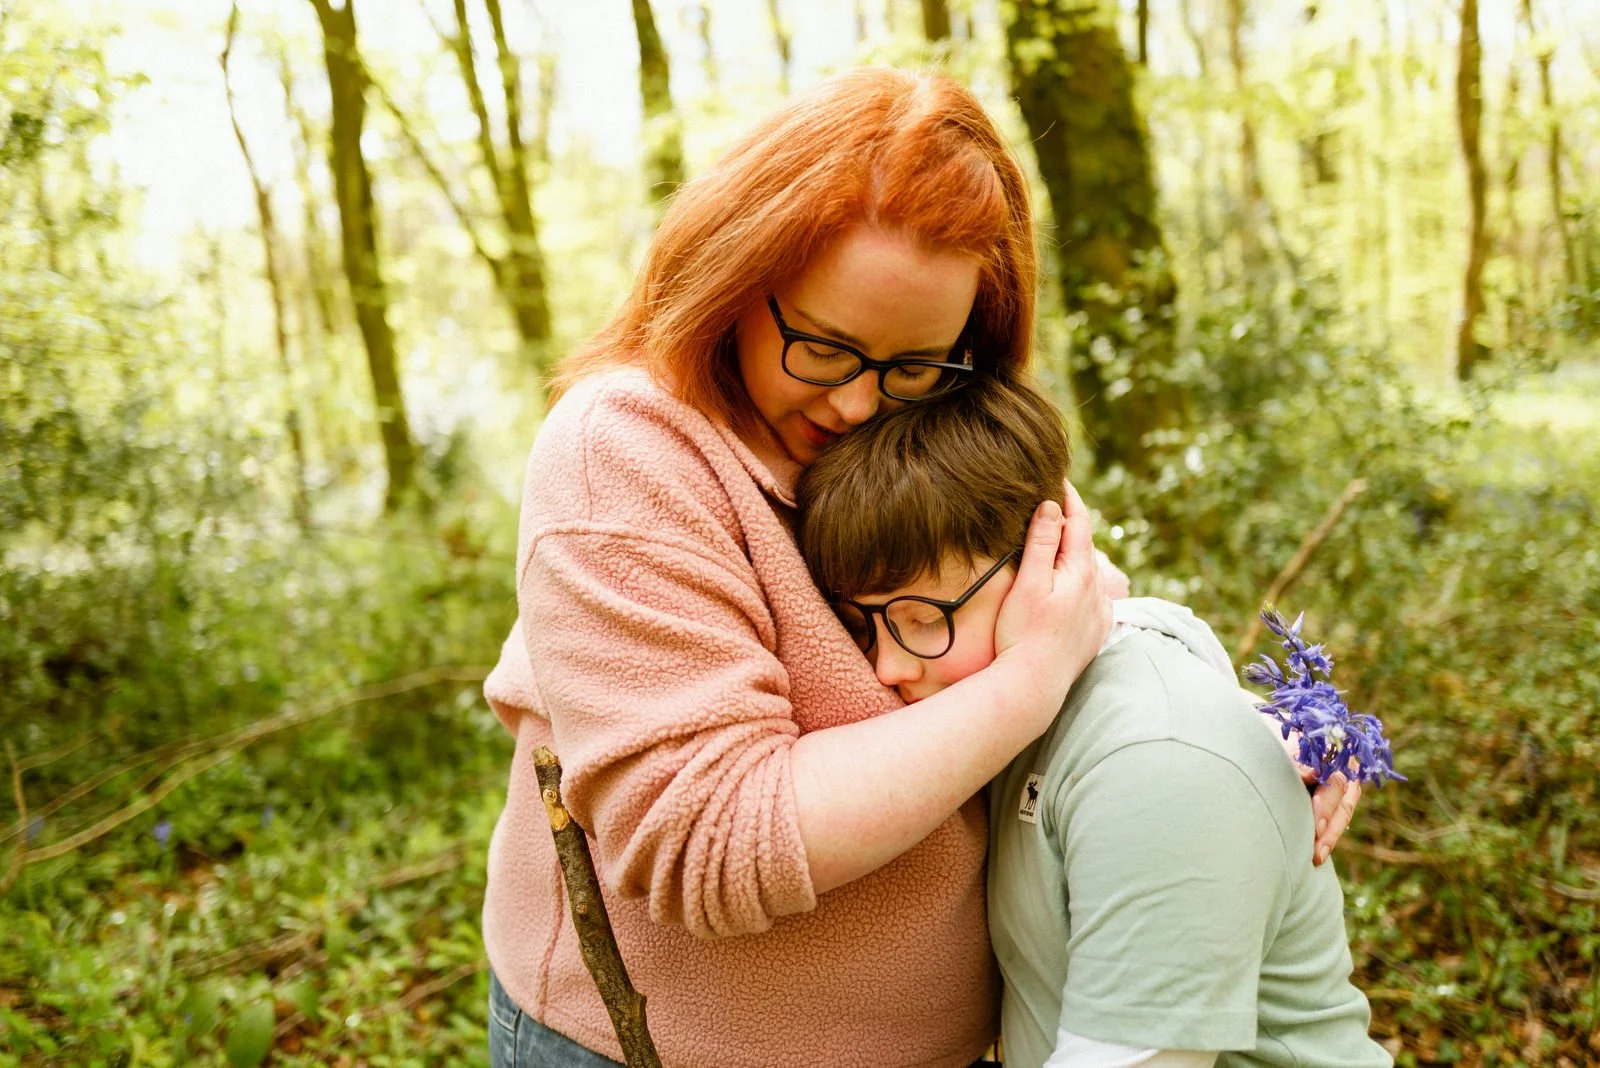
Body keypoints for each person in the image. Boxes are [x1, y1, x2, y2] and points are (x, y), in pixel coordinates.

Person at [481, 68, 1358, 1068]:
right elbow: (708, 842)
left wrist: (1227, 735)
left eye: (909, 366)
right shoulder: (625, 451)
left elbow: (1069, 614)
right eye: (824, 347)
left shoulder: (932, 424)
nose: (857, 405)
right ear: (735, 275)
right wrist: (1030, 683)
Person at [795, 376, 1391, 1068]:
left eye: (924, 620)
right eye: (864, 628)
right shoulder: (1022, 714)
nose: (887, 669)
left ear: (1048, 565)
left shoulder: (1158, 765)